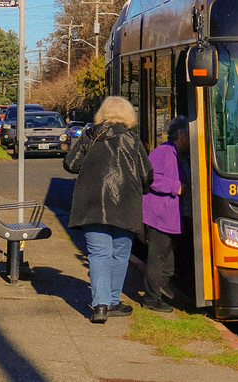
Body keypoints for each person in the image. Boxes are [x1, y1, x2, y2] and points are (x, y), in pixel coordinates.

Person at [64, 96, 153, 324]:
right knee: (120, 254)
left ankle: (101, 305)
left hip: (92, 204)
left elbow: (70, 164)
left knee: (98, 254)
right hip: (126, 204)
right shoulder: (132, 140)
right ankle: (113, 301)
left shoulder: (89, 136)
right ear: (128, 115)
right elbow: (146, 175)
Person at [141, 116, 189, 313]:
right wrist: (176, 187)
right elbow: (150, 178)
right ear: (180, 134)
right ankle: (151, 298)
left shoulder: (179, 154)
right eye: (190, 134)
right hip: (159, 216)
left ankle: (160, 291)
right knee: (158, 259)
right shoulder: (163, 152)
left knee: (167, 261)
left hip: (169, 217)